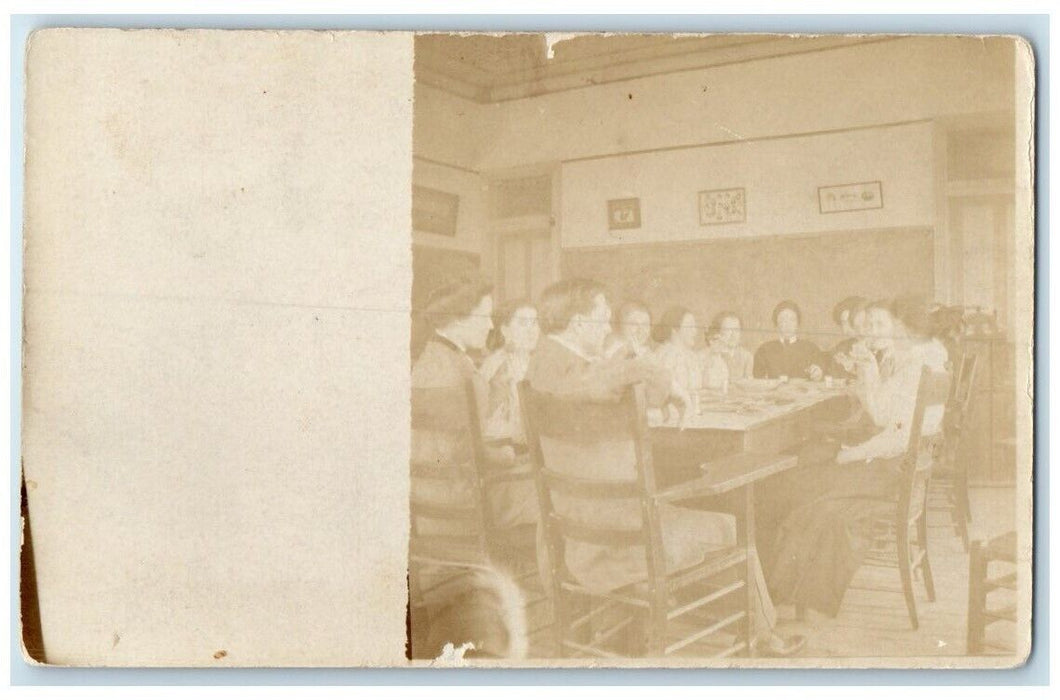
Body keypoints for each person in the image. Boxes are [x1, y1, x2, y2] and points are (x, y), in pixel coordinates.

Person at [526, 278, 803, 656]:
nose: (609, 328)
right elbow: (644, 374)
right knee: (728, 520)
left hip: (569, 532)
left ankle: (682, 615)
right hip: (621, 538)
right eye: (604, 319)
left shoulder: (542, 366)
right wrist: (668, 385)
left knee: (684, 508)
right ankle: (761, 633)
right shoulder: (585, 373)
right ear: (578, 324)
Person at [758, 297, 949, 617]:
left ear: (901, 328)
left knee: (796, 485)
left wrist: (853, 454)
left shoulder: (916, 365)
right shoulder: (923, 361)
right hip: (899, 467)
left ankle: (775, 591)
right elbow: (886, 418)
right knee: (801, 478)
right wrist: (869, 372)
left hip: (890, 473)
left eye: (884, 325)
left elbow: (893, 430)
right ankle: (775, 588)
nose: (875, 332)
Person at [410, 276, 533, 534]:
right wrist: (507, 456)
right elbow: (477, 453)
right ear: (457, 319)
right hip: (465, 505)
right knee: (547, 483)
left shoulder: (425, 362)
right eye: (484, 316)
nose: (491, 326)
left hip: (423, 503)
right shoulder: (466, 374)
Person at [480, 300, 541, 446]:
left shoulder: (529, 360)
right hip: (504, 444)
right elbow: (490, 422)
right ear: (505, 330)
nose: (531, 330)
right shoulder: (500, 364)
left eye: (534, 323)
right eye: (523, 323)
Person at [753, 300, 824, 380]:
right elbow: (758, 378)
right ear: (777, 324)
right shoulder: (764, 350)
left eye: (792, 319)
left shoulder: (811, 349)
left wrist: (818, 372)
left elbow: (820, 373)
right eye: (783, 320)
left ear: (798, 324)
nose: (787, 324)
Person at [651, 306, 703, 397]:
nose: (695, 331)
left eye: (695, 327)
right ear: (674, 330)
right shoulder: (665, 354)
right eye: (690, 327)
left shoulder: (691, 355)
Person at [700, 311, 754, 389]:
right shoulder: (708, 354)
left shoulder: (746, 356)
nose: (733, 335)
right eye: (728, 330)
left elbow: (749, 385)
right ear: (718, 332)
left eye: (737, 330)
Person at [827, 296, 868, 380]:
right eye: (843, 323)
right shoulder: (841, 348)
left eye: (849, 322)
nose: (845, 329)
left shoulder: (879, 346)